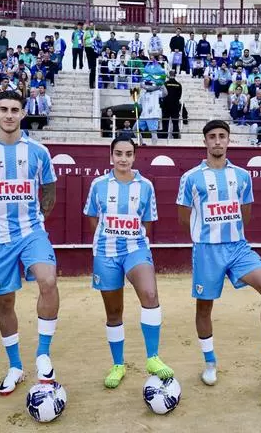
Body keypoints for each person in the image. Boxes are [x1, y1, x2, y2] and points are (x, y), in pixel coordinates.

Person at [176, 120, 261, 387]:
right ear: (205, 142)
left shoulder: (242, 176)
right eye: (212, 137)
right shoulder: (191, 177)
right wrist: (204, 237)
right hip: (207, 250)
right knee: (205, 306)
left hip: (238, 247)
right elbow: (183, 218)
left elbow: (246, 212)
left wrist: (232, 234)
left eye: (222, 136)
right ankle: (209, 361)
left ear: (229, 140)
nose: (217, 141)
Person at [0, 90, 60, 396]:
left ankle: (43, 354)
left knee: (48, 280)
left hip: (32, 231)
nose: (9, 114)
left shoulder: (38, 152)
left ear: (23, 113)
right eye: (4, 109)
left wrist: (34, 221)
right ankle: (16, 366)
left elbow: (48, 193)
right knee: (5, 302)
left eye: (15, 109)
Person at [83, 137, 174, 389]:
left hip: (136, 248)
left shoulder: (145, 186)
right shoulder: (98, 184)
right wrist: (108, 238)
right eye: (119, 153)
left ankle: (153, 358)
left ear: (135, 156)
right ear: (111, 155)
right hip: (106, 252)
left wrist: (130, 237)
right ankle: (118, 364)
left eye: (129, 154)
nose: (123, 159)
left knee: (150, 293)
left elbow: (146, 222)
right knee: (113, 312)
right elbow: (93, 218)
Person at [160, 70, 182, 140]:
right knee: (175, 122)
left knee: (165, 121)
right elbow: (179, 96)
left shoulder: (165, 84)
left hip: (166, 105)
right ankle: (175, 136)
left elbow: (162, 94)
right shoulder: (178, 85)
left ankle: (164, 136)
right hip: (175, 105)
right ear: (175, 75)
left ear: (169, 75)